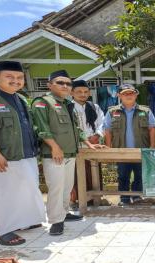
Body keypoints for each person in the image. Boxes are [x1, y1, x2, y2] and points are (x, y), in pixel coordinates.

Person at [31, 70, 100, 236]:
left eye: (68, 83)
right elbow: (41, 128)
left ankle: (64, 212)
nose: (65, 86)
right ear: (49, 85)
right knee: (56, 187)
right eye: (60, 82)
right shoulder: (43, 102)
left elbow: (76, 129)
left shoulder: (67, 104)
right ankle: (56, 221)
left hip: (70, 152)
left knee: (67, 187)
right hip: (54, 154)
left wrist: (88, 143)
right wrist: (54, 146)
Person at [0, 61, 46, 246]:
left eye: (19, 77)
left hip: (26, 153)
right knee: (2, 194)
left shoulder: (22, 99)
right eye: (9, 77)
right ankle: (1, 231)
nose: (15, 81)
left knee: (25, 189)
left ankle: (22, 222)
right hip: (4, 156)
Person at [104, 84, 155, 205]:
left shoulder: (145, 111)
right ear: (119, 95)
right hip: (121, 151)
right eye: (125, 93)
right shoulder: (112, 111)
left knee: (139, 174)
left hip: (140, 150)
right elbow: (107, 130)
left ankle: (137, 196)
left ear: (136, 94)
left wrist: (152, 147)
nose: (128, 95)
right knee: (123, 175)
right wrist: (108, 149)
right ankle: (124, 198)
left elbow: (152, 129)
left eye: (131, 93)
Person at [70, 80, 105, 204]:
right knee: (77, 173)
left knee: (93, 172)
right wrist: (84, 139)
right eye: (79, 92)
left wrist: (97, 135)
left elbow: (102, 123)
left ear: (89, 93)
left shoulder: (94, 107)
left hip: (93, 144)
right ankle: (78, 200)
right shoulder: (69, 107)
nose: (82, 94)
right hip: (76, 145)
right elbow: (72, 127)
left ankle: (95, 199)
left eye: (85, 92)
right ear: (72, 92)